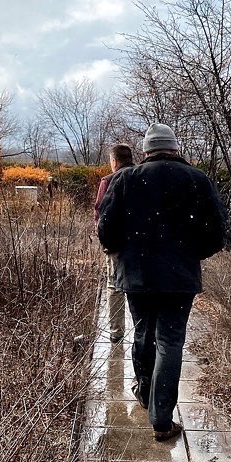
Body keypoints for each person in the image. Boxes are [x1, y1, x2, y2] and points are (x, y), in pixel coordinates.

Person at [97, 123, 228, 441]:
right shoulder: (197, 180)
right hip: (178, 276)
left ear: (146, 150)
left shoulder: (126, 179)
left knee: (143, 332)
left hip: (138, 275)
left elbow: (106, 226)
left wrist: (121, 252)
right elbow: (217, 231)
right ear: (174, 148)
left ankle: (144, 392)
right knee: (169, 342)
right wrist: (192, 254)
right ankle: (161, 419)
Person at [94, 143, 134, 343]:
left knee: (114, 286)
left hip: (115, 244)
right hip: (138, 243)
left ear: (114, 161)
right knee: (137, 284)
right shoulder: (140, 175)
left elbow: (99, 212)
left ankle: (116, 331)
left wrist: (104, 240)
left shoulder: (108, 180)